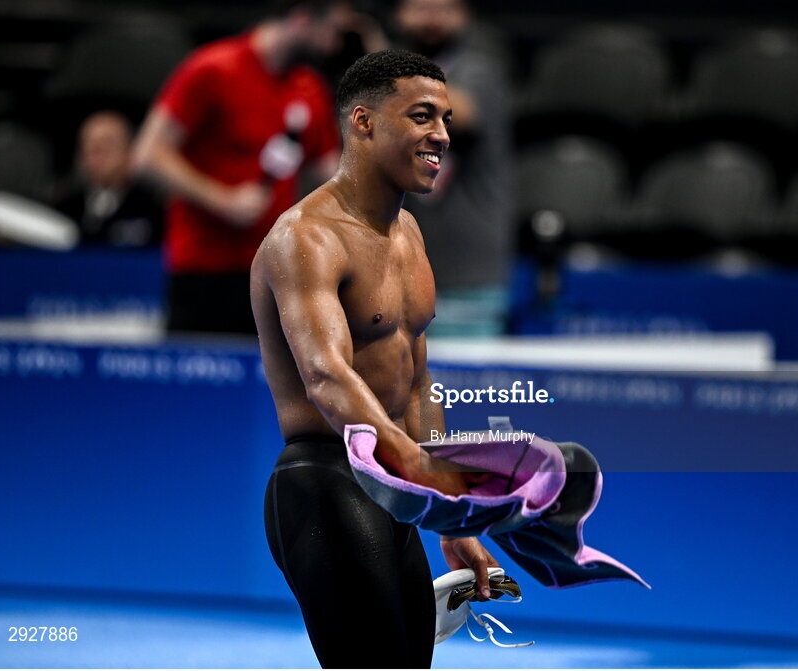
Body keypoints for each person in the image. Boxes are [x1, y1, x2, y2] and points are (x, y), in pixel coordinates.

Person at [251, 50, 499, 668]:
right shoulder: (305, 238)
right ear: (363, 121)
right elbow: (326, 375)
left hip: (390, 486)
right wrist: (414, 465)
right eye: (421, 116)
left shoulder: (408, 233)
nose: (441, 135)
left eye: (445, 119)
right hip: (326, 484)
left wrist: (449, 516)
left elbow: (417, 386)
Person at [133, 0, 351, 335]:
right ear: (302, 18)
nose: (333, 45)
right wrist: (222, 199)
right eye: (331, 31)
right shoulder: (212, 68)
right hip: (203, 272)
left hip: (275, 274)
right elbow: (148, 155)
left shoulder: (310, 88)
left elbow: (334, 176)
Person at [391, 0, 514, 336]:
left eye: (445, 9)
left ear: (465, 16)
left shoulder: (479, 72)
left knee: (469, 372)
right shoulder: (380, 84)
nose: (433, 19)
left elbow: (461, 114)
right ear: (399, 13)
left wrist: (384, 66)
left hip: (469, 277)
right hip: (399, 272)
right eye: (421, 8)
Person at [55, 111, 164, 248]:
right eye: (88, 143)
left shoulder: (152, 208)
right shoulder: (64, 209)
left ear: (130, 150)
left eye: (107, 142)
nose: (96, 151)